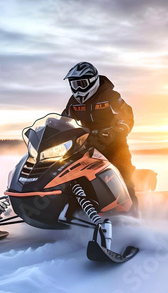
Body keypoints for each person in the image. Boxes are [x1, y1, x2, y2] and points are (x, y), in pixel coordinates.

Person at [61, 61, 138, 212]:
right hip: (87, 145)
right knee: (68, 175)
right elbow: (64, 120)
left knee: (124, 176)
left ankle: (134, 217)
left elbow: (127, 116)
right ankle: (70, 213)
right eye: (74, 85)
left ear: (92, 81)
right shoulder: (73, 101)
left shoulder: (110, 96)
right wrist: (54, 129)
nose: (78, 89)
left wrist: (118, 130)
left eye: (82, 84)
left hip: (115, 145)